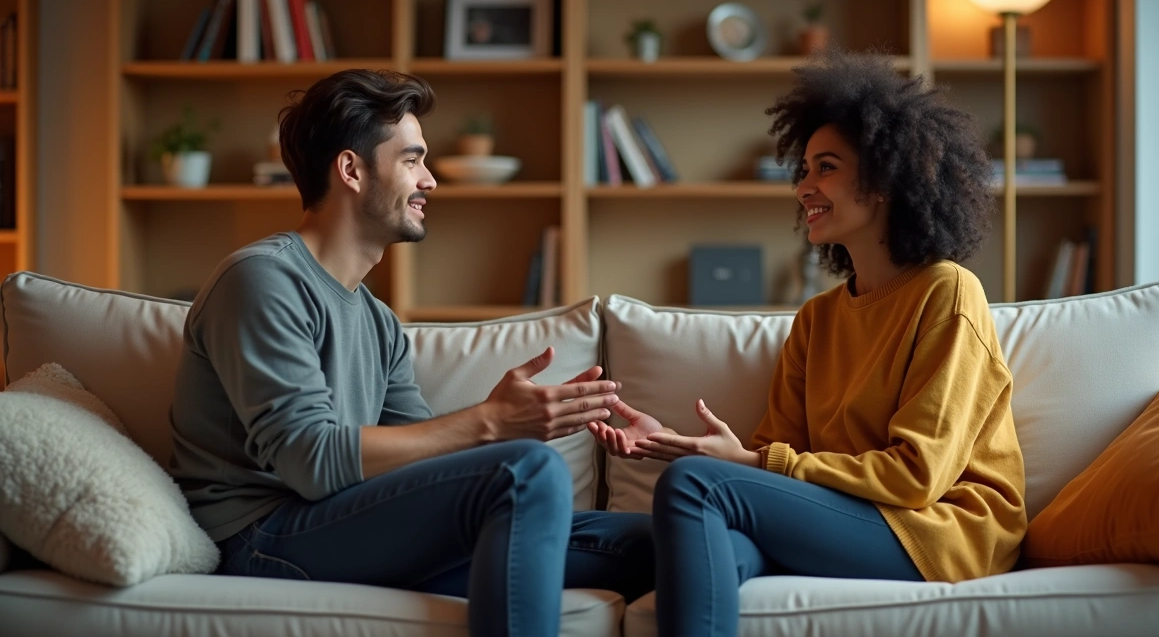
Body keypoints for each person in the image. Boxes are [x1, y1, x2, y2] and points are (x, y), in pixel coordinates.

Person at [168, 69, 653, 637]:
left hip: (347, 522)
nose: (431, 181)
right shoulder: (262, 280)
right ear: (351, 170)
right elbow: (309, 460)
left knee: (653, 536)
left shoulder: (378, 321)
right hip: (262, 535)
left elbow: (425, 463)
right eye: (412, 160)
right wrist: (488, 426)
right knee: (530, 471)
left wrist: (505, 425)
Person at [588, 51, 1027, 636]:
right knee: (653, 533)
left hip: (937, 532)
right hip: (851, 520)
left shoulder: (945, 292)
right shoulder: (818, 319)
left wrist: (736, 465)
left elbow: (918, 477)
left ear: (884, 180)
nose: (803, 187)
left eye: (825, 168)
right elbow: (772, 462)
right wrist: (680, 444)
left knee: (694, 489)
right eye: (803, 169)